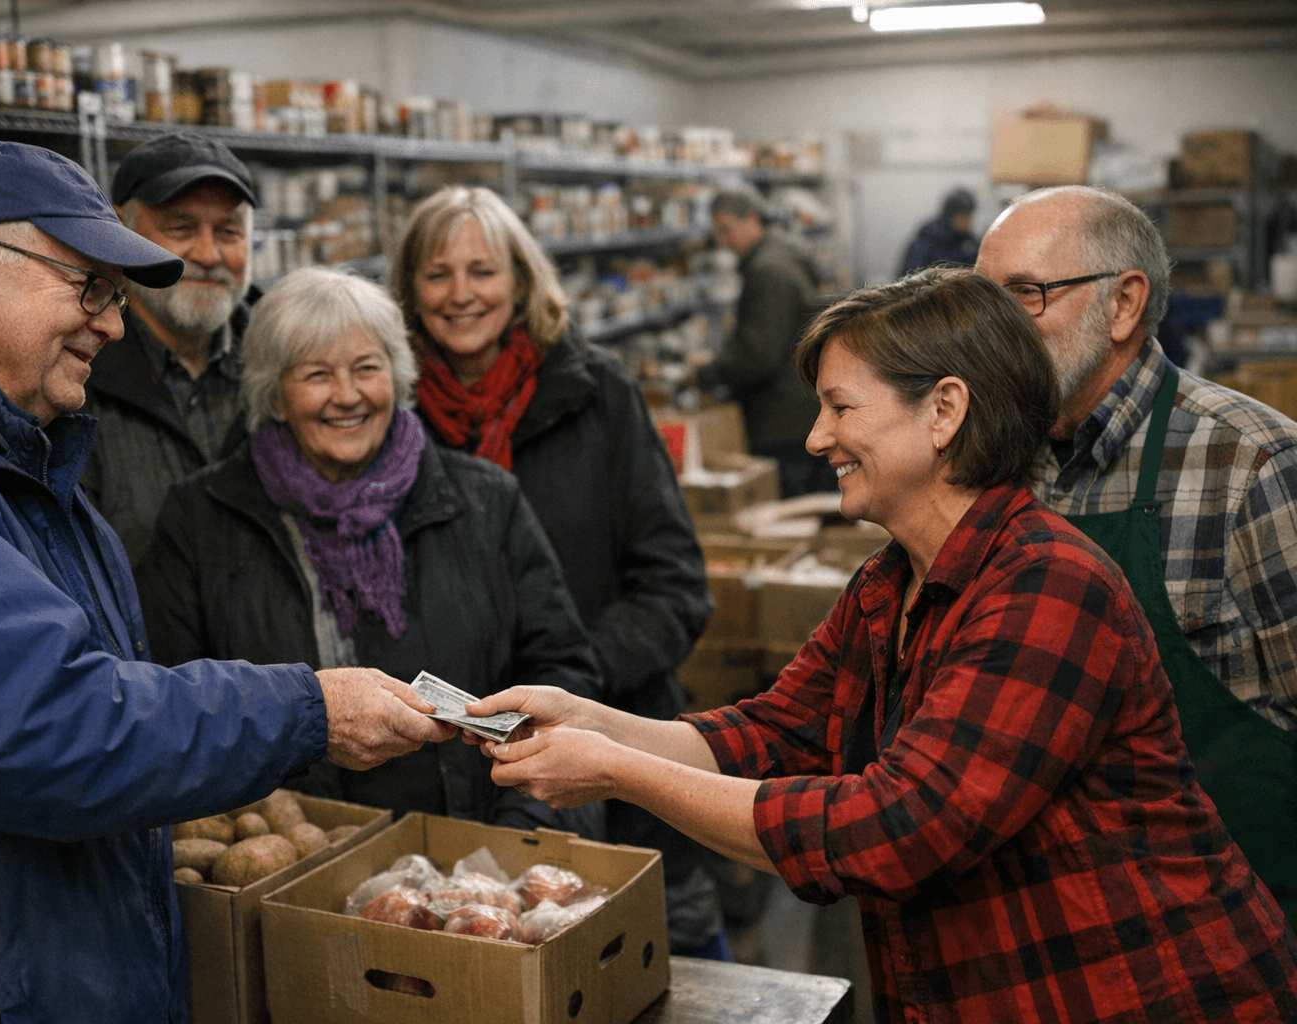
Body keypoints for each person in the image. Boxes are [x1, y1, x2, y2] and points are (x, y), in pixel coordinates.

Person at [468, 269, 1297, 1023]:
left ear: (944, 411)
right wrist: (593, 721)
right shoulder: (888, 584)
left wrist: (618, 771)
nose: (815, 439)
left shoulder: (1048, 587)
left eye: (841, 407)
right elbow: (775, 733)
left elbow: (898, 828)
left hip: (1137, 996)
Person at [0, 140, 453, 1023]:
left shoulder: (7, 455)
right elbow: (31, 726)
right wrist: (308, 710)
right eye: (89, 288)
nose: (116, 325)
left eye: (118, 298)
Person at [134, 266, 605, 838]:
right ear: (274, 393)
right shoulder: (202, 519)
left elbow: (563, 672)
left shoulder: (483, 500)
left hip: (477, 856)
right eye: (316, 375)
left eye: (366, 368)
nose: (348, 396)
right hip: (297, 862)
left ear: (396, 376)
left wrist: (518, 836)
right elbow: (177, 705)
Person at [389, 186, 724, 956]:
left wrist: (571, 693)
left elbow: (675, 584)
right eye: (437, 274)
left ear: (522, 279)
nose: (462, 293)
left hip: (616, 754)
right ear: (407, 292)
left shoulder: (596, 391)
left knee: (665, 957)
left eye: (483, 269)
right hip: (456, 775)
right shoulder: (391, 417)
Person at [977, 184, 1297, 924]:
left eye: (1025, 295)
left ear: (1123, 304)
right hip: (1063, 914)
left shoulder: (1252, 465)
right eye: (982, 301)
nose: (991, 333)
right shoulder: (999, 459)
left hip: (1237, 923)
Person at [80, 131, 259, 566]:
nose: (208, 253)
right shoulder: (74, 375)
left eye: (229, 231)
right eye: (181, 228)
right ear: (122, 229)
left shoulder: (283, 361)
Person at [698, 187, 834, 496]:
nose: (722, 241)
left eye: (726, 229)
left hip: (783, 421)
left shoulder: (768, 270)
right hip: (802, 409)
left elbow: (759, 354)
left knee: (793, 513)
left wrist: (707, 373)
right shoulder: (784, 254)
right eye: (717, 232)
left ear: (752, 219)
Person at [898, 186, 978, 277]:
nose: (967, 221)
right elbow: (908, 281)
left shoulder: (970, 244)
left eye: (969, 216)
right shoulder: (924, 244)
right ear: (949, 216)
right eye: (962, 216)